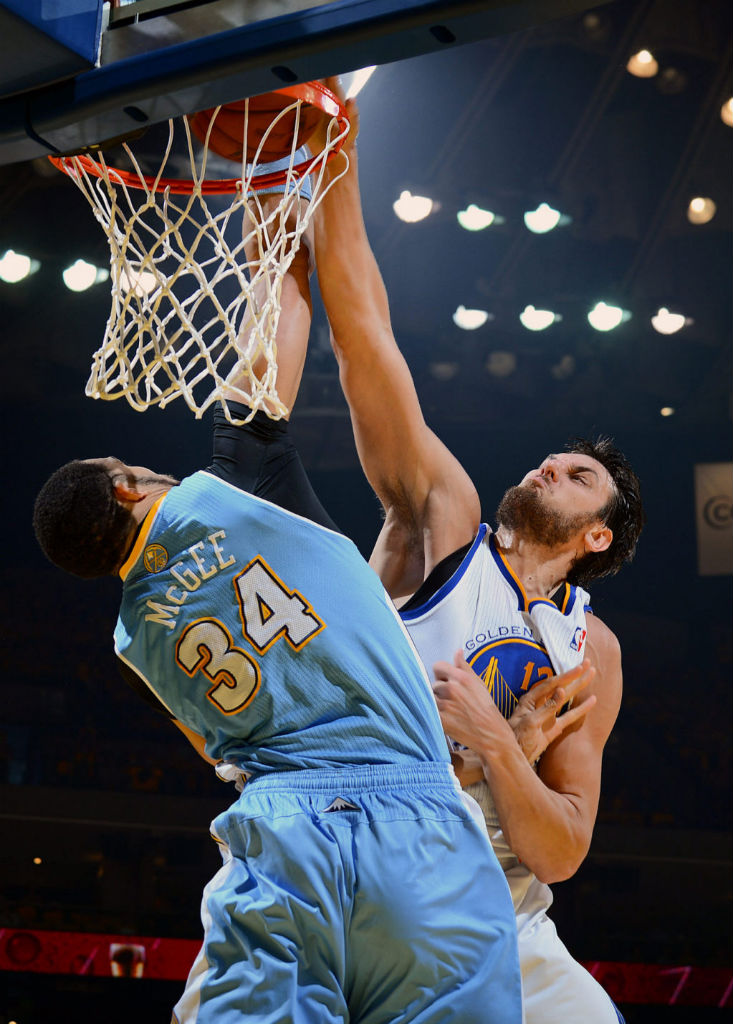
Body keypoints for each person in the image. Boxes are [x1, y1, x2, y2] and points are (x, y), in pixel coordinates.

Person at [32, 175, 524, 1022]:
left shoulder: (133, 641)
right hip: (412, 818)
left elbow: (214, 750)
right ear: (123, 491)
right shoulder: (226, 490)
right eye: (130, 467)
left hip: (280, 835)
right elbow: (278, 322)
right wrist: (277, 206)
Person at [313, 81, 644, 1024]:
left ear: (595, 538)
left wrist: (500, 745)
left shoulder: (594, 653)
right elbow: (365, 337)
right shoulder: (445, 524)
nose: (550, 465)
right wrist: (339, 138)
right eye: (554, 457)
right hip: (366, 878)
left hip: (503, 911)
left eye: (578, 475)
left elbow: (563, 850)